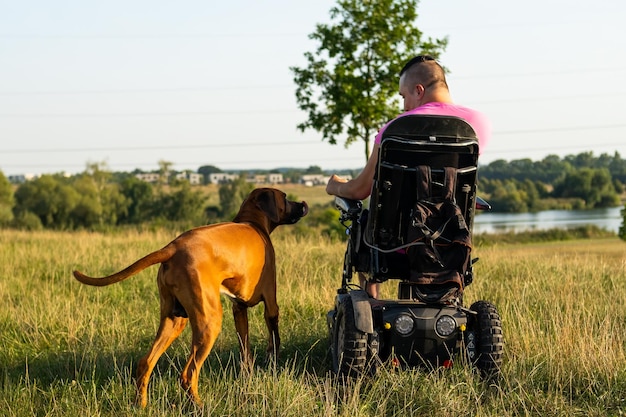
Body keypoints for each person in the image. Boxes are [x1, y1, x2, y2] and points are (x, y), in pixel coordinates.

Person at [325, 55, 491, 298]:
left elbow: (360, 190)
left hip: (395, 244)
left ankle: (371, 303)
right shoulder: (477, 125)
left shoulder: (397, 128)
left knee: (362, 223)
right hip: (450, 238)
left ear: (419, 90)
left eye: (404, 96)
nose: (404, 106)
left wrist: (336, 186)